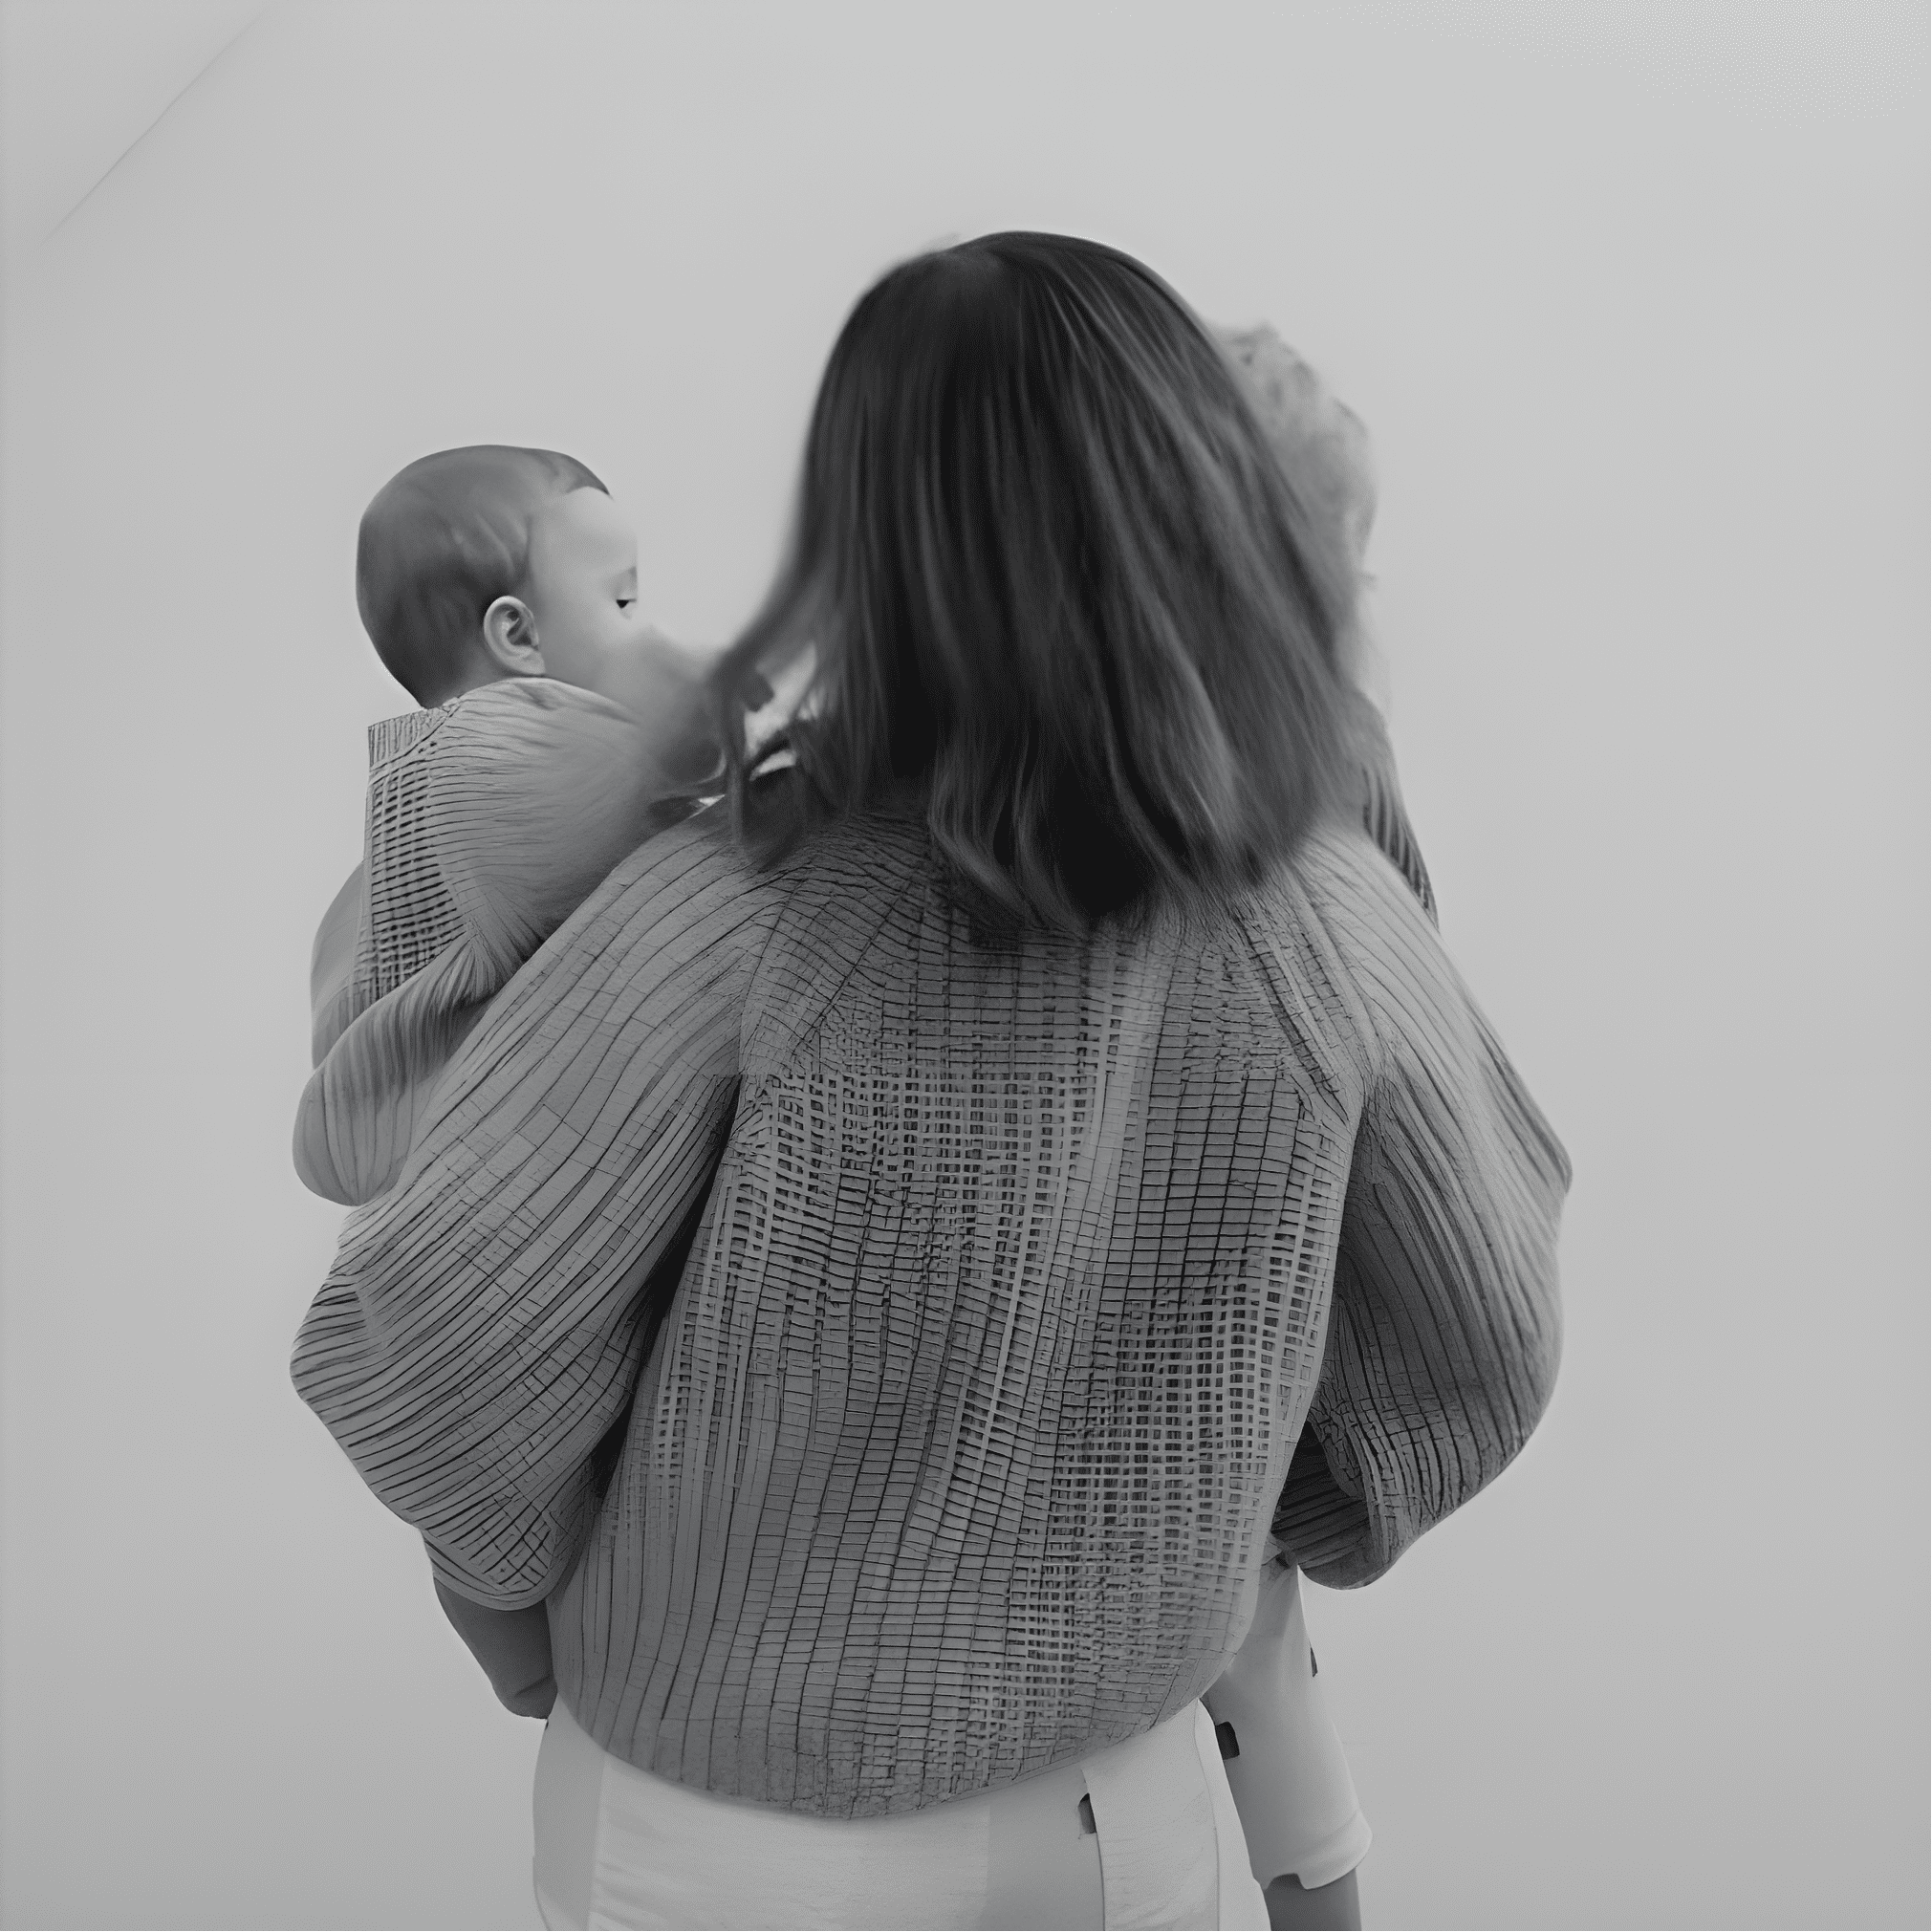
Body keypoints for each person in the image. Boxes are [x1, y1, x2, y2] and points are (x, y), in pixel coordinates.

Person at [293, 231, 1570, 1930]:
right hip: (1129, 1813)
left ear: (871, 538)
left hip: (722, 1824)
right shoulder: (1326, 914)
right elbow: (1485, 1337)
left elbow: (441, 1340)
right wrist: (1214, 1521)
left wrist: (525, 1617)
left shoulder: (728, 902)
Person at [296, 445, 718, 1208]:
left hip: (438, 1215)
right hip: (521, 1220)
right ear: (519, 637)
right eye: (622, 604)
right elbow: (696, 738)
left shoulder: (373, 882)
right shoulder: (504, 751)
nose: (645, 626)